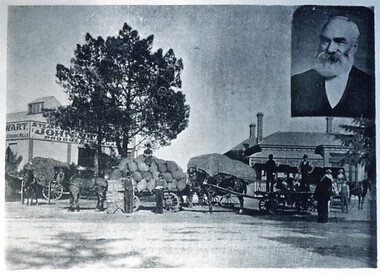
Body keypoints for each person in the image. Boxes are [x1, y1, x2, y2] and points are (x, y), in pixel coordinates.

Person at [291, 16, 374, 118]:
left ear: (353, 48)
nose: (330, 49)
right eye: (325, 41)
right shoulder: (297, 83)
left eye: (339, 42)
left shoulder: (371, 85)